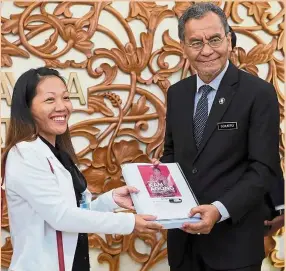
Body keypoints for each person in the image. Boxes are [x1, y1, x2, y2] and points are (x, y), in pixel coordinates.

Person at [153, 3, 282, 271]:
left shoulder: (258, 93)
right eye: (196, 42)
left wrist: (219, 209)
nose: (207, 50)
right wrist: (157, 178)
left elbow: (262, 169)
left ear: (229, 40)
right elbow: (172, 154)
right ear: (184, 47)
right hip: (184, 242)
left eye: (214, 39)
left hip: (234, 243)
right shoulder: (177, 93)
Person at [2, 67, 163, 271]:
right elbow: (61, 217)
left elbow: (76, 213)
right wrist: (129, 222)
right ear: (27, 108)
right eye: (50, 100)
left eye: (66, 97)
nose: (62, 107)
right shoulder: (24, 154)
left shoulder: (58, 153)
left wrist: (110, 200)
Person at [228, 26, 284, 236]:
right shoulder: (186, 95)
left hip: (246, 212)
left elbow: (268, 155)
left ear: (232, 49)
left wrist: (280, 205)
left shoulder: (257, 92)